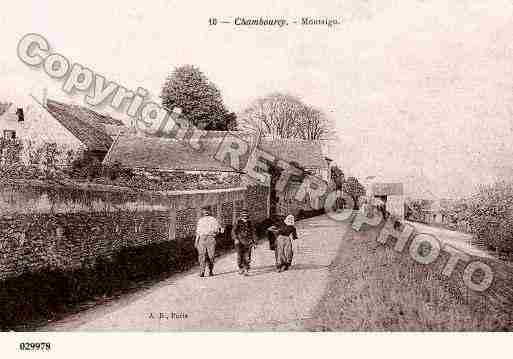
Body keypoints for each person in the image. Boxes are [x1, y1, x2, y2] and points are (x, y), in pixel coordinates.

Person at [195, 208, 222, 277]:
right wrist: (196, 241)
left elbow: (219, 230)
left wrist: (215, 233)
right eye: (204, 211)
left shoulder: (213, 219)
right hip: (201, 239)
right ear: (202, 212)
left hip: (210, 238)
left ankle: (210, 270)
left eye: (207, 211)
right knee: (201, 255)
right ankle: (202, 272)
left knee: (211, 256)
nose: (206, 212)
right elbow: (198, 232)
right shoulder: (200, 220)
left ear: (209, 212)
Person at [232, 209, 257, 276]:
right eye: (243, 214)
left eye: (246, 214)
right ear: (241, 215)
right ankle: (240, 268)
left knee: (247, 256)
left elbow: (253, 232)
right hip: (239, 241)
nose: (245, 216)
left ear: (248, 215)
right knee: (239, 256)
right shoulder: (238, 221)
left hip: (248, 241)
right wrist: (235, 239)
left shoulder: (250, 222)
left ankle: (246, 269)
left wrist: (254, 242)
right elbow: (234, 231)